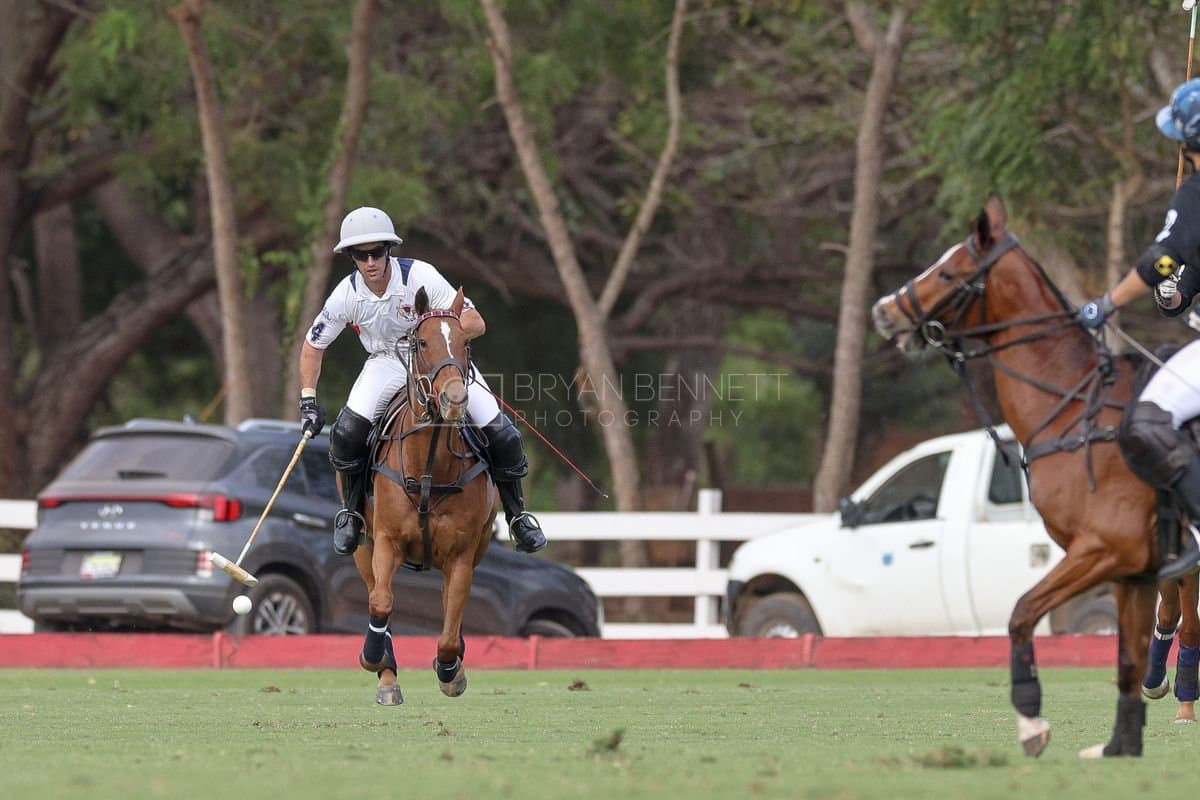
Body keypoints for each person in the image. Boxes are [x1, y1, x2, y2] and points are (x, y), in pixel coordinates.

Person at [297, 206, 547, 557]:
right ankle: (352, 513)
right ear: (350, 257)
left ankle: (517, 516)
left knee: (501, 431)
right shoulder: (345, 295)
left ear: (389, 251)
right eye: (360, 254)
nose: (370, 262)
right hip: (386, 362)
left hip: (437, 359)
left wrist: (441, 324)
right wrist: (308, 399)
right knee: (347, 432)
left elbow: (476, 322)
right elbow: (313, 345)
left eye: (377, 252)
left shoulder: (420, 276)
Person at [1078, 77, 1200, 581]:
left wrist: (1107, 303)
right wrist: (1176, 292)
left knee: (1149, 418)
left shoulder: (1195, 192)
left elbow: (1163, 258)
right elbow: (1181, 276)